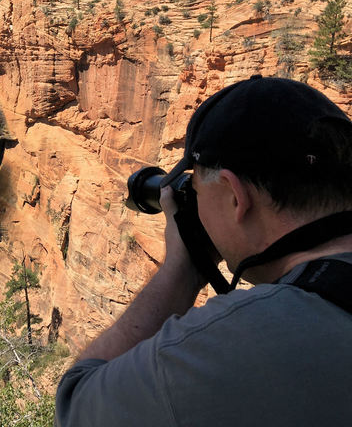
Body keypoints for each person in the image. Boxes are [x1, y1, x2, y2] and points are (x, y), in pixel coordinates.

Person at [56, 75, 352, 426]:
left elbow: (76, 407)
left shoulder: (237, 344)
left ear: (234, 196)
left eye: (194, 186)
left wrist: (180, 271)